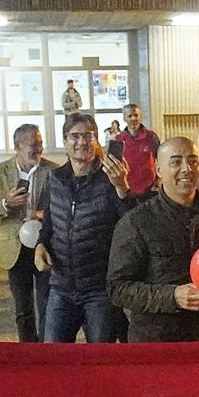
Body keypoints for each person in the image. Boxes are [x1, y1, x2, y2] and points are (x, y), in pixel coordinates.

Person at [107, 136, 199, 342]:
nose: (187, 169)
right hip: (155, 341)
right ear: (158, 169)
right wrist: (172, 297)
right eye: (176, 162)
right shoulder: (137, 221)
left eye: (193, 161)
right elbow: (118, 288)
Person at [37, 111, 133, 343]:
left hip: (98, 289)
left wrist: (122, 187)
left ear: (97, 140)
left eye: (89, 136)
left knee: (100, 361)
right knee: (53, 358)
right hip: (60, 286)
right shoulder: (54, 179)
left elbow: (131, 224)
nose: (82, 142)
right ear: (64, 142)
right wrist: (40, 243)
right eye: (75, 136)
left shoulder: (109, 179)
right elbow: (49, 219)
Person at [0, 123, 56, 343]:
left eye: (40, 143)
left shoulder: (53, 171)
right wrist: (5, 204)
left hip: (44, 245)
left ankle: (45, 352)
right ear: (17, 146)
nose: (39, 149)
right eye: (33, 144)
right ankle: (27, 352)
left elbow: (63, 208)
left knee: (47, 305)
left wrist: (43, 215)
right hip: (15, 250)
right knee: (23, 309)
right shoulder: (0, 172)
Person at [109, 103, 159, 197]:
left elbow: (161, 160)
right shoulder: (118, 140)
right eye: (129, 116)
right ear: (124, 118)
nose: (133, 119)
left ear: (140, 117)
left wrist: (158, 182)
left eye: (136, 115)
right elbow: (114, 166)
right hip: (128, 191)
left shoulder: (151, 137)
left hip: (149, 190)